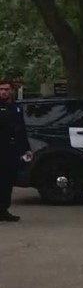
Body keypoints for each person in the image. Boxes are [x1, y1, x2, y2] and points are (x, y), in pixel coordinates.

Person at [0, 79, 32, 222]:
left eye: (6, 89)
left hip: (11, 150)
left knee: (8, 181)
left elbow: (21, 130)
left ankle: (3, 210)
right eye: (1, 89)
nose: (3, 92)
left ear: (11, 91)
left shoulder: (16, 108)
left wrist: (26, 149)